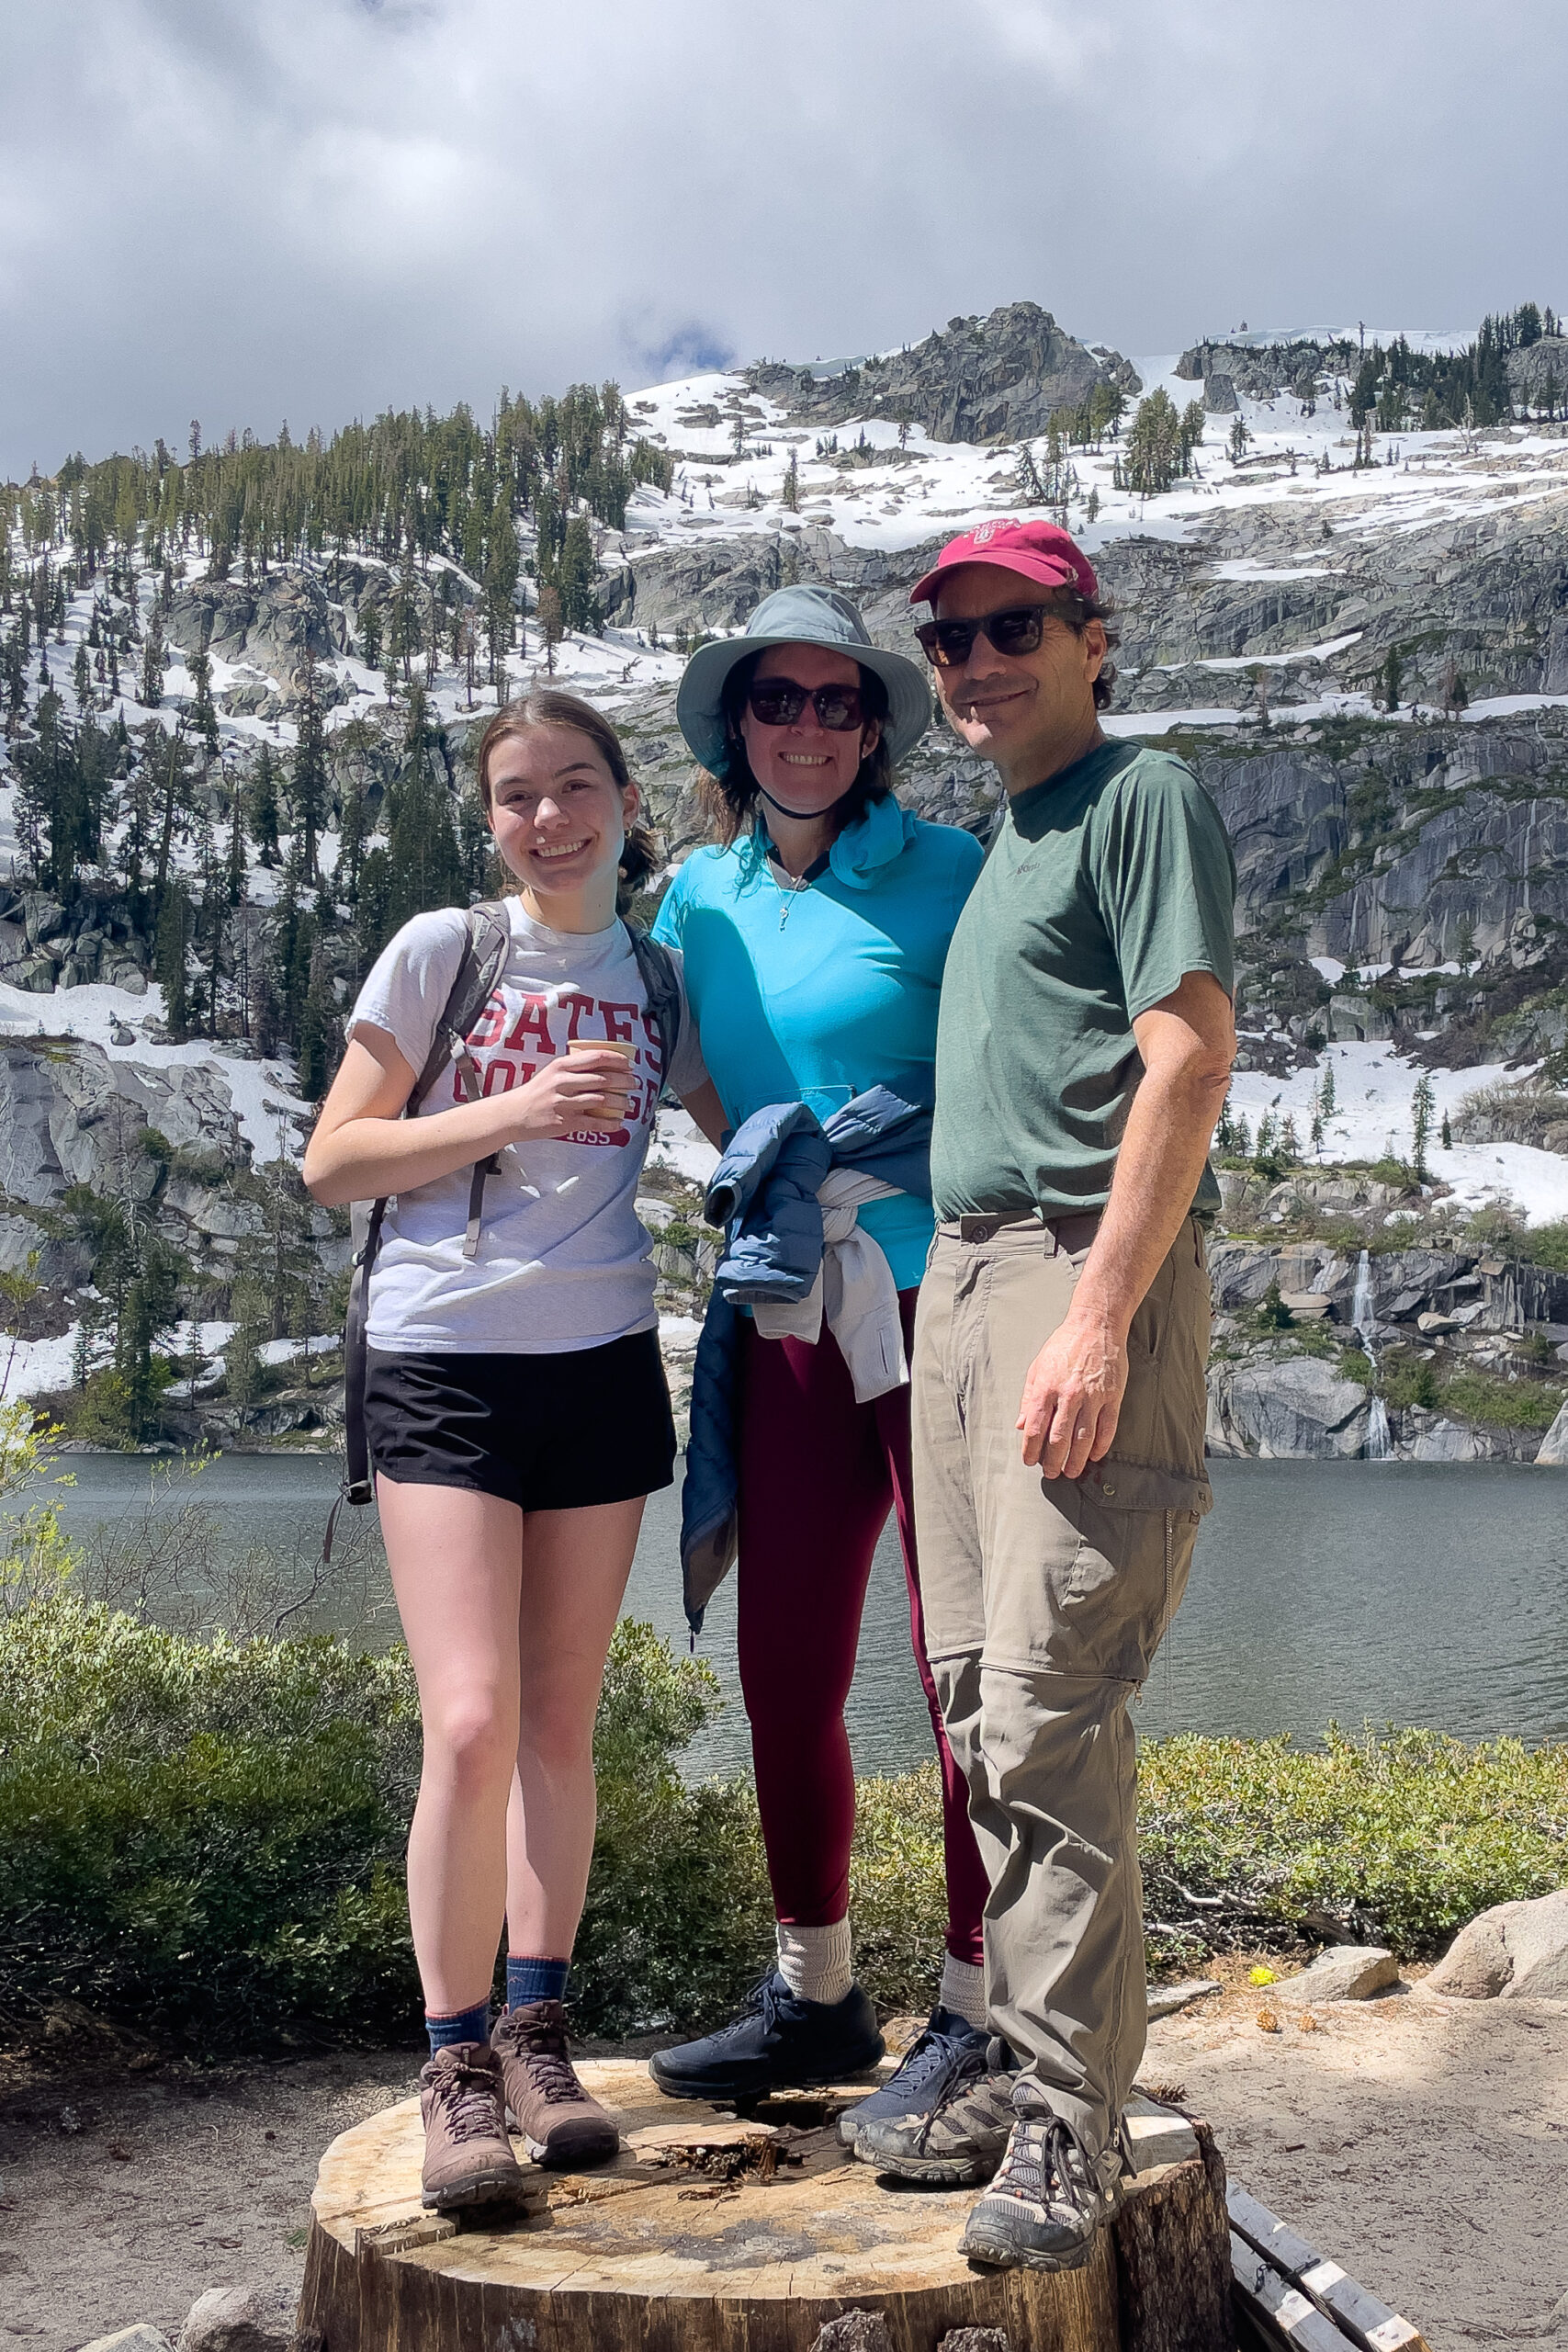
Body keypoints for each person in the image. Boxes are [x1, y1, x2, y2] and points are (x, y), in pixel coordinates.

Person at [854, 521, 1236, 2274]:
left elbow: (1191, 1053)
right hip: (962, 1284)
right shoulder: (1010, 835)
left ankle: (1073, 2132)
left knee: (1051, 1706)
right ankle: (1026, 2070)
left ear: (1094, 638)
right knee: (969, 1706)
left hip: (1081, 1274)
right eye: (951, 640)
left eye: (1016, 627)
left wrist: (1097, 1321)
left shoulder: (1140, 794)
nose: (980, 660)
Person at [303, 689, 713, 2212]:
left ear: (623, 799)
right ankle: (456, 2065)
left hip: (603, 1363)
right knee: (468, 1726)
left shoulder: (657, 978)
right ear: (490, 822)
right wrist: (513, 1107)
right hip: (444, 1363)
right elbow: (333, 1160)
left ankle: (543, 2037)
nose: (548, 819)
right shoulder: (443, 951)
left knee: (557, 1726)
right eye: (516, 798)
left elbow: (744, 1127)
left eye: (575, 787)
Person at [646, 584, 994, 2137]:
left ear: (873, 730)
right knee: (787, 1663)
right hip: (785, 1306)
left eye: (834, 704)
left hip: (944, 1305)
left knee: (961, 1667)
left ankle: (982, 2011)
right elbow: (698, 1069)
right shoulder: (695, 899)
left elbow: (1024, 1061)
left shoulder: (952, 872)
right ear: (738, 728)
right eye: (774, 704)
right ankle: (818, 1995)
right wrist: (775, 1174)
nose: (804, 729)